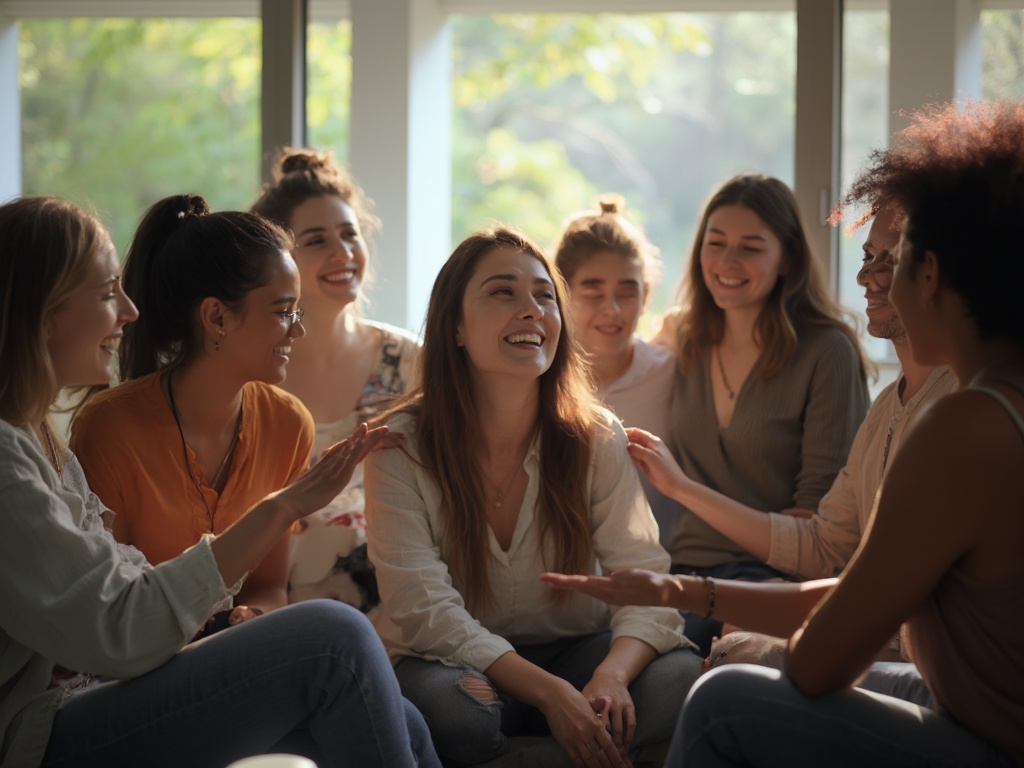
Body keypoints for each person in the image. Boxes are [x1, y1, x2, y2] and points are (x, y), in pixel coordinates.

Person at [552, 100, 1024, 767]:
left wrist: (754, 633)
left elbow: (820, 661)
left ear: (932, 275)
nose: (868, 278)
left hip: (993, 739)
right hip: (962, 702)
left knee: (725, 700)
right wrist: (681, 591)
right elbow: (867, 582)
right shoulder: (964, 404)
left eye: (892, 259)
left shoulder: (964, 426)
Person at [0, 195, 440, 768]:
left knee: (395, 710)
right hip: (39, 731)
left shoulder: (37, 438)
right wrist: (282, 508)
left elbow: (124, 578)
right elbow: (119, 629)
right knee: (335, 638)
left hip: (95, 690)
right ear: (46, 312)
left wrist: (232, 625)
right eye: (108, 293)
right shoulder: (18, 457)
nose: (130, 311)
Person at [364, 227, 703, 767]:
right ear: (454, 325)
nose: (532, 310)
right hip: (456, 668)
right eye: (504, 292)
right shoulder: (398, 445)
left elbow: (644, 583)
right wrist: (552, 696)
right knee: (454, 716)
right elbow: (422, 608)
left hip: (577, 654)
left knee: (677, 681)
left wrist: (610, 677)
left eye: (545, 296)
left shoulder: (596, 436)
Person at [653, 173, 870, 654]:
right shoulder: (680, 337)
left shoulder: (826, 351)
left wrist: (687, 492)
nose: (728, 262)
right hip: (679, 569)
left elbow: (817, 527)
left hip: (773, 579)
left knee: (692, 665)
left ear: (788, 257)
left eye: (750, 247)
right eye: (716, 243)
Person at [70, 195, 313, 623]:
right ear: (216, 316)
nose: (299, 329)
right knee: (340, 629)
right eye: (283, 311)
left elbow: (270, 586)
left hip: (241, 660)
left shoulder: (289, 425)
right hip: (141, 672)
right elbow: (111, 612)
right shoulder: (109, 428)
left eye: (297, 310)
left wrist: (253, 615)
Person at [252, 147, 420, 610]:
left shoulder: (410, 363)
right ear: (278, 261)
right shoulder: (252, 377)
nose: (343, 252)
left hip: (402, 611)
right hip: (274, 615)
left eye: (350, 234)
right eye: (318, 240)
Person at [553, 195, 680, 543]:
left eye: (626, 292)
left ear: (647, 295)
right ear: (561, 293)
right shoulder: (540, 380)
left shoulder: (670, 373)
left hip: (655, 565)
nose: (611, 310)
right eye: (593, 293)